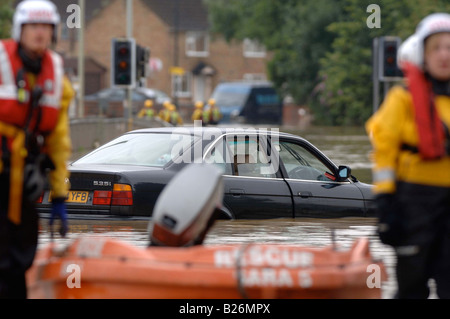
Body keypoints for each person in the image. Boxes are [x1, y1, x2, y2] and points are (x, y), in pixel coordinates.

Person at [366, 13, 450, 299]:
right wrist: (385, 202)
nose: (444, 55)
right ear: (422, 54)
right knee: (412, 286)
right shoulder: (402, 99)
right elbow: (384, 151)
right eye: (436, 48)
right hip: (414, 203)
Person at [0, 0, 74, 299]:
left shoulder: (56, 76)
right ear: (20, 30)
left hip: (25, 177)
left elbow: (59, 142)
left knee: (23, 253)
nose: (40, 33)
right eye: (33, 26)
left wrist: (59, 196)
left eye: (46, 27)